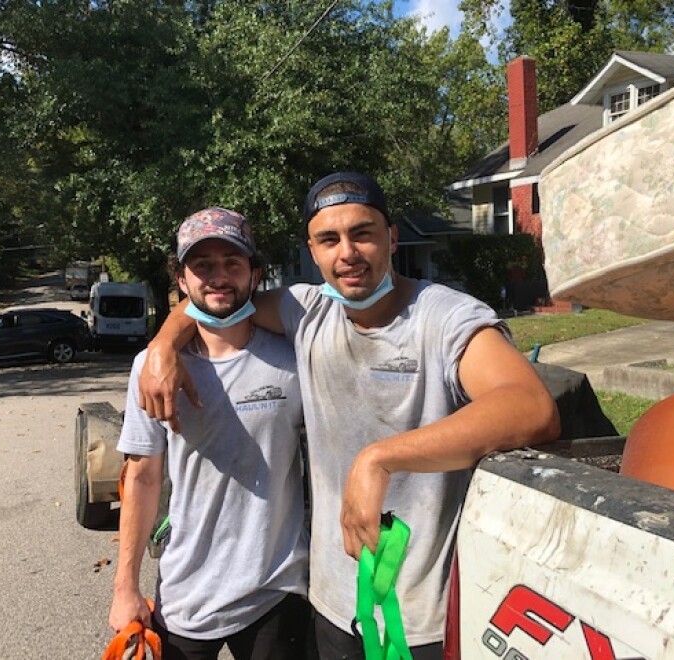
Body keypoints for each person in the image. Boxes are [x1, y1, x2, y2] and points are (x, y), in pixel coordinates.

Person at [138, 173, 560, 658]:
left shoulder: (444, 317)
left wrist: (380, 459)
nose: (348, 253)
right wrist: (163, 345)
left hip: (424, 618)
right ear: (312, 251)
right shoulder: (307, 311)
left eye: (362, 233)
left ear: (392, 238)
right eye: (328, 239)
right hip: (333, 608)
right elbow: (216, 299)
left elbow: (531, 407)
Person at [109, 207, 310, 659]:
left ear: (255, 274)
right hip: (186, 595)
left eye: (232, 263)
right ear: (181, 278)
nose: (218, 277)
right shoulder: (150, 369)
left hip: (275, 590)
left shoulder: (293, 358)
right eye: (203, 266)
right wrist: (125, 586)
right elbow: (141, 477)